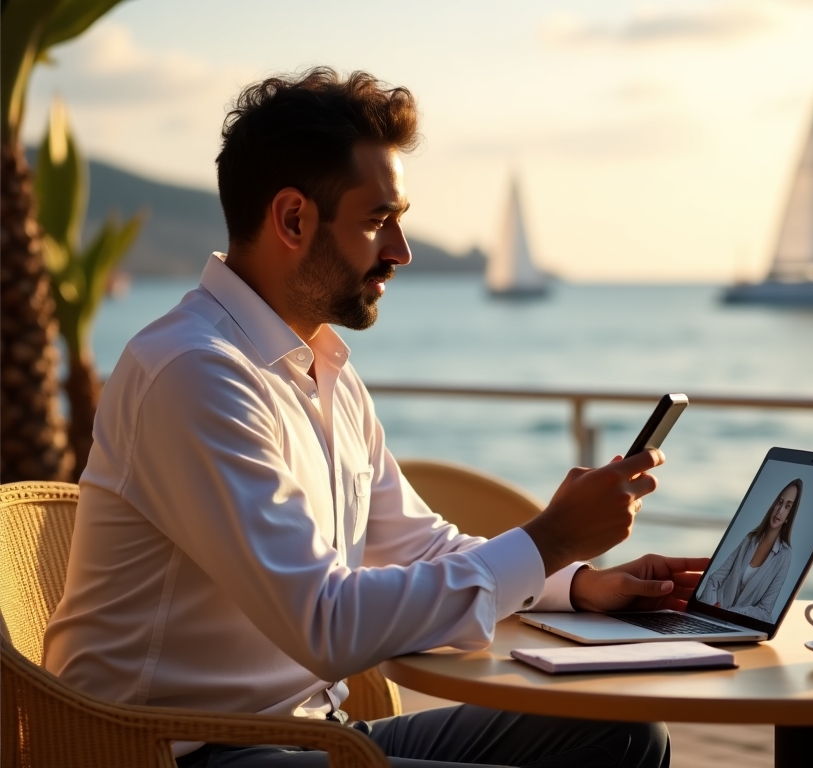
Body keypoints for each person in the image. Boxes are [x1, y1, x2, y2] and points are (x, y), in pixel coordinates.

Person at [42, 68, 710, 768]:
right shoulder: (193, 372)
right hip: (178, 752)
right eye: (376, 221)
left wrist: (574, 580)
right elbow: (326, 624)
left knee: (624, 735)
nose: (401, 251)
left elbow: (419, 545)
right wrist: (547, 538)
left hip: (308, 738)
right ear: (294, 219)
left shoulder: (322, 368)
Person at [697, 479, 802, 623]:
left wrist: (730, 613)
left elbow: (765, 611)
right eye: (780, 502)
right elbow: (714, 580)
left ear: (789, 516)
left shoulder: (784, 556)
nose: (780, 510)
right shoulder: (750, 539)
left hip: (738, 623)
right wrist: (711, 608)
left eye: (787, 506)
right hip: (712, 614)